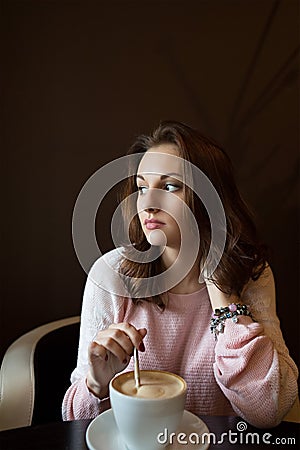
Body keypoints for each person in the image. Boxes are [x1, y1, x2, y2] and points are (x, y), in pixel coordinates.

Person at [62, 120, 298, 428]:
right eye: (142, 187)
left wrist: (225, 298)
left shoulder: (253, 275)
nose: (147, 203)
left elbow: (269, 410)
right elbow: (75, 422)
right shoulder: (110, 275)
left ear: (210, 199)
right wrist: (97, 384)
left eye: (170, 186)